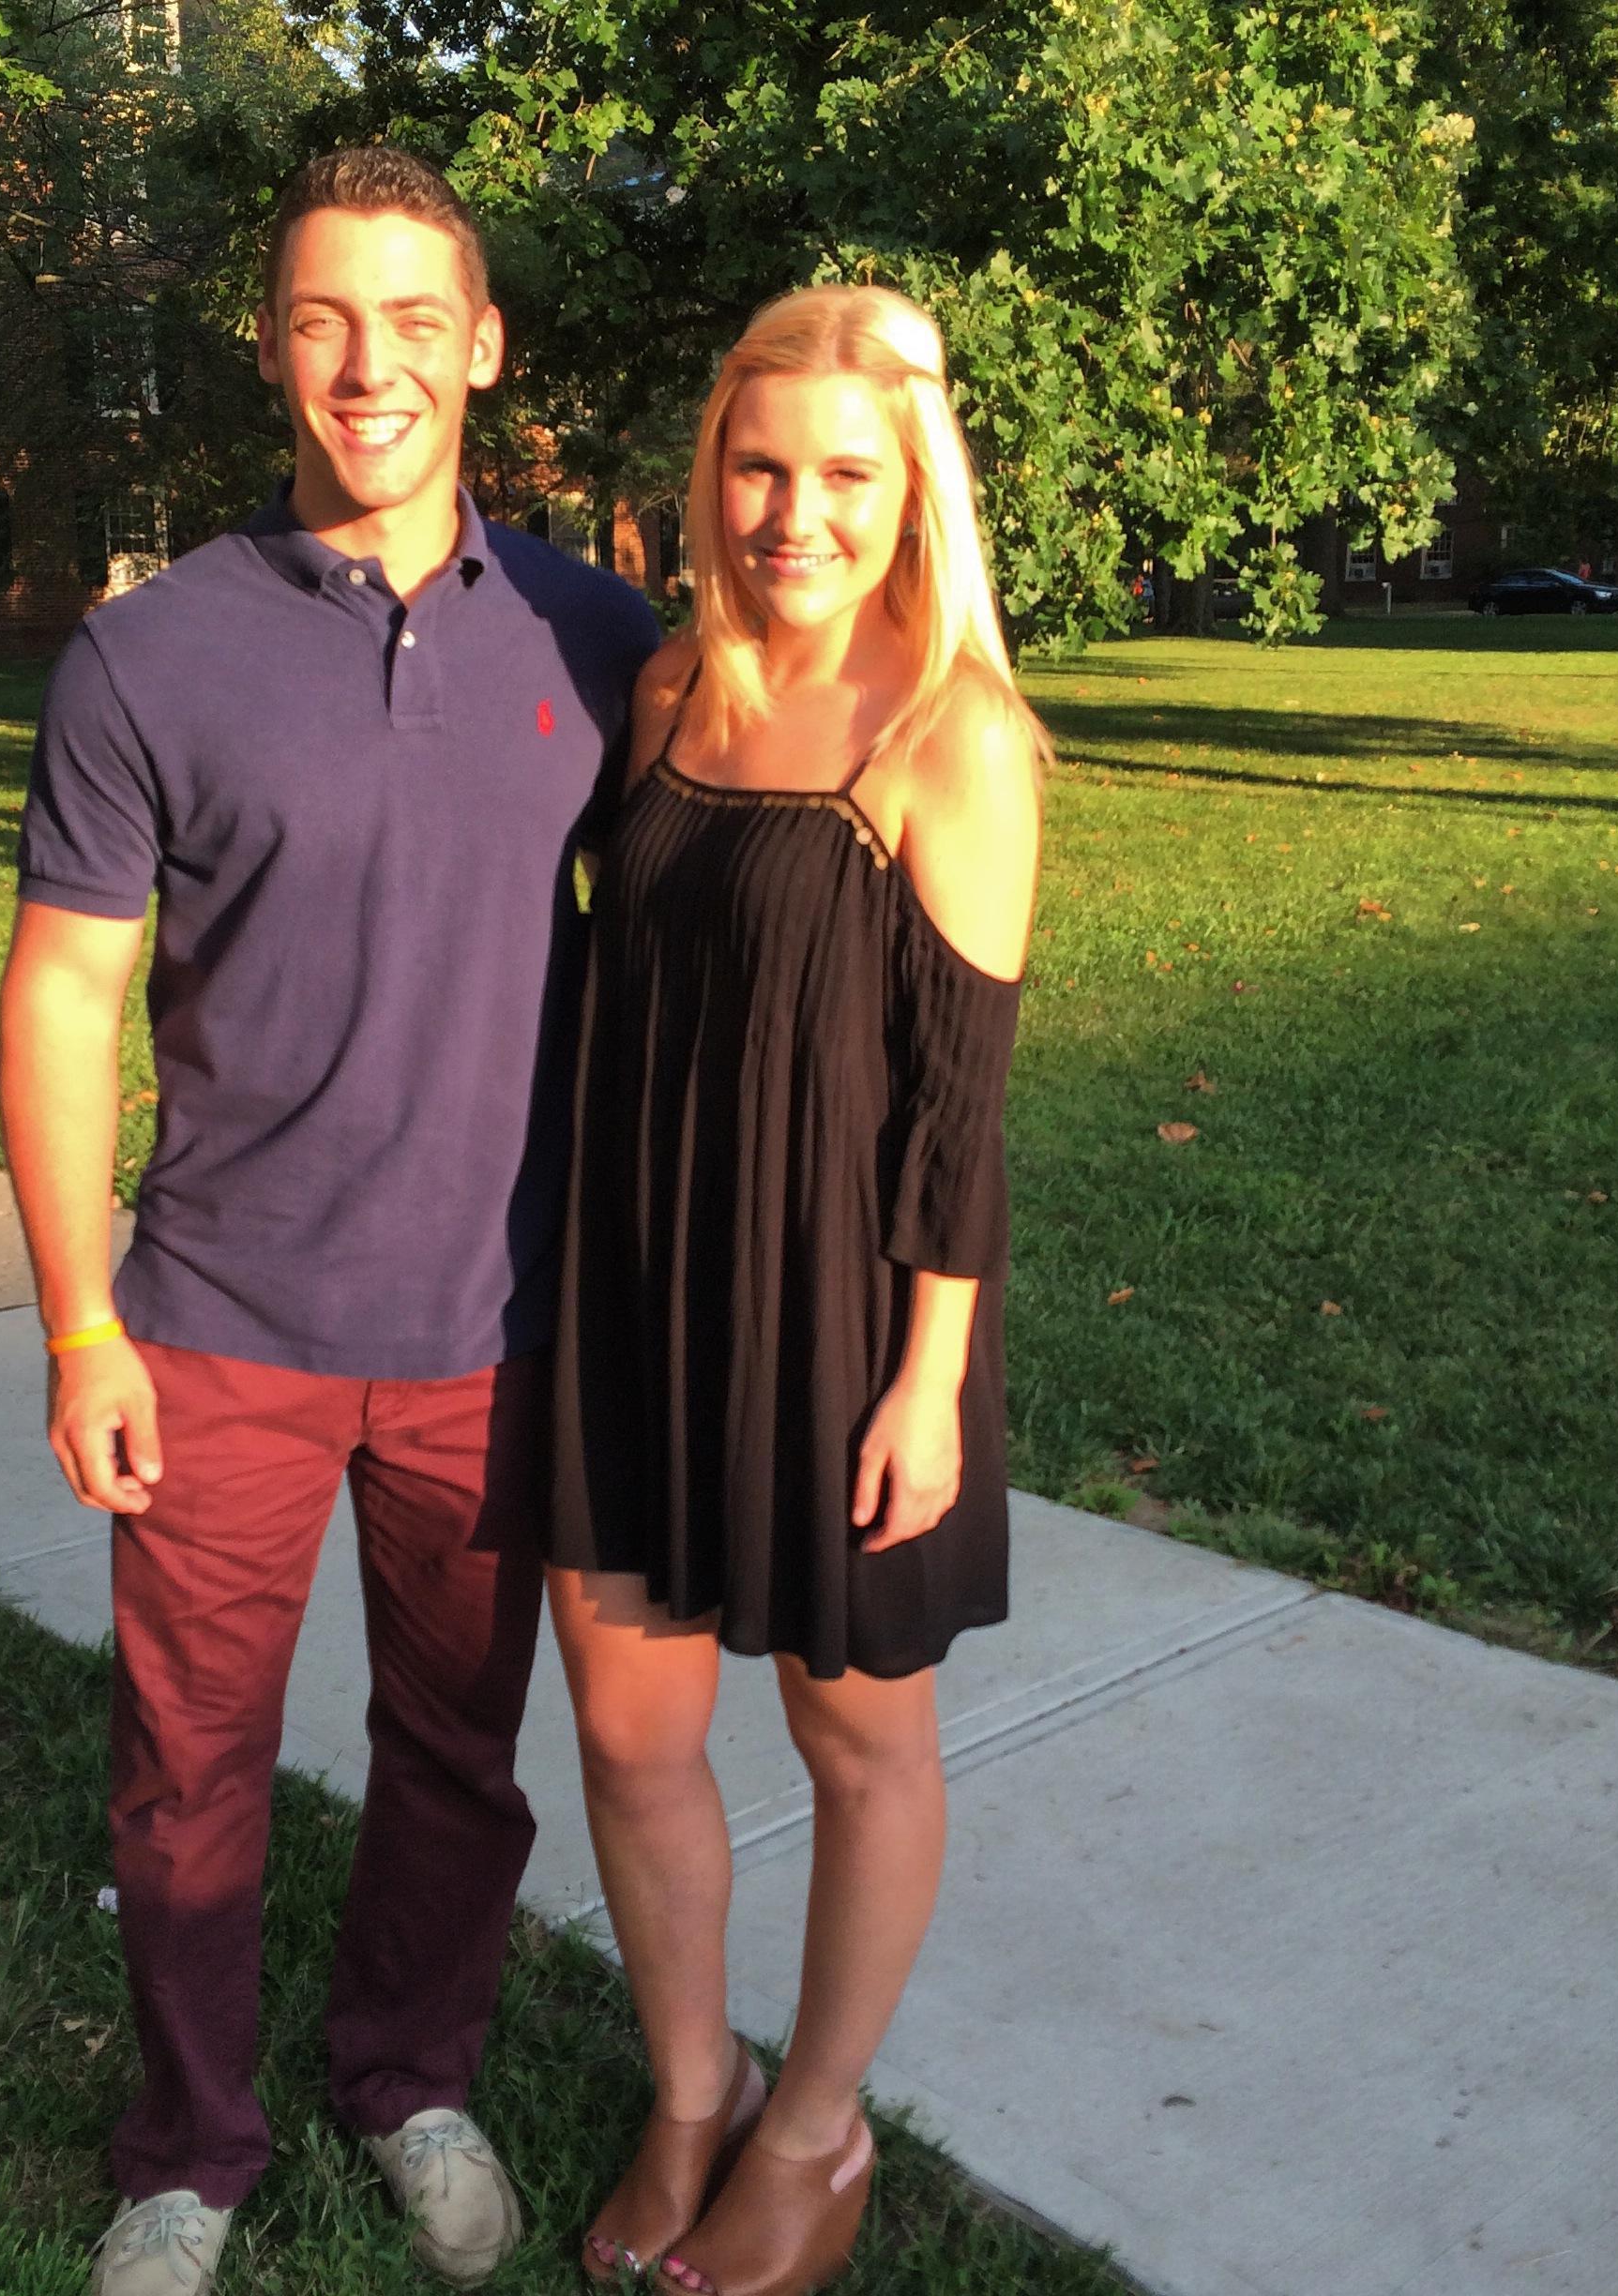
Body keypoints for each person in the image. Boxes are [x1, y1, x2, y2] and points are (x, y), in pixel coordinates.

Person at [0, 146, 659, 2296]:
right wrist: (82, 1325)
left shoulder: (601, 637)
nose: (365, 365)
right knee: (187, 1768)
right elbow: (66, 992)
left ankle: (409, 2071)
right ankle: (190, 2148)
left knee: (454, 1758)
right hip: (219, 1324)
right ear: (273, 347)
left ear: (482, 348)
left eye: (407, 320)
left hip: (499, 1330)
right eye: (318, 319)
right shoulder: (151, 655)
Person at [547, 283, 1047, 2296]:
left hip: (843, 1319)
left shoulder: (957, 736)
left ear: (910, 488)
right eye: (761, 465)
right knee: (626, 1731)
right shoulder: (666, 689)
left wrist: (928, 1382)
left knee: (859, 1745)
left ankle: (818, 2129)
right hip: (634, 1277)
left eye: (847, 472)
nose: (795, 511)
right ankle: (693, 2090)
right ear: (711, 471)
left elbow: (959, 1111)